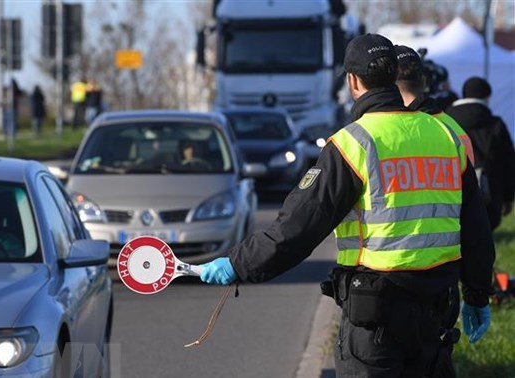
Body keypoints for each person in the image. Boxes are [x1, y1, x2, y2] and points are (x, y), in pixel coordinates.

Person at [198, 34, 495, 377]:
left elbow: (297, 228)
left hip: (376, 317)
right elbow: (475, 226)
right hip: (436, 311)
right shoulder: (445, 136)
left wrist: (238, 264)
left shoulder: (354, 144)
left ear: (353, 81)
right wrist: (477, 293)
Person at [394, 44, 471, 378]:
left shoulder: (374, 135)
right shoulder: (454, 132)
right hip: (441, 285)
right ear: (425, 80)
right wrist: (478, 290)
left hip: (382, 289)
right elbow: (473, 217)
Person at [446, 77, 515, 230]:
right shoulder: (495, 124)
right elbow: (508, 162)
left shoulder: (445, 121)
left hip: (452, 190)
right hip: (489, 192)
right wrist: (509, 197)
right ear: (487, 96)